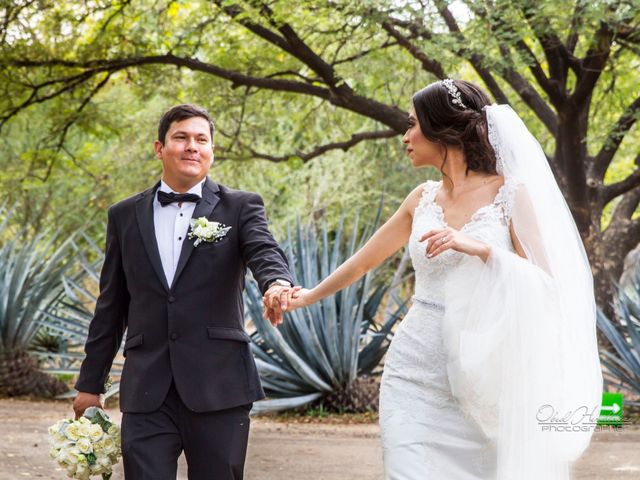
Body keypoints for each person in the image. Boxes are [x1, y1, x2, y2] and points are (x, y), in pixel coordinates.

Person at [272, 80, 602, 479]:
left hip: (483, 372)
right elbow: (362, 262)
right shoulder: (420, 199)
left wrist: (481, 249)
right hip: (412, 369)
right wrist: (307, 297)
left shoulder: (510, 194)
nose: (405, 137)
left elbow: (547, 285)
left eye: (412, 125)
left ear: (442, 128)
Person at [73, 104, 297, 480]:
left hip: (219, 385)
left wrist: (277, 282)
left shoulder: (240, 206)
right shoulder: (124, 215)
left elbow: (264, 250)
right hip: (147, 389)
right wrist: (90, 385)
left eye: (201, 139)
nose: (192, 146)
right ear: (159, 148)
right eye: (181, 138)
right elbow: (111, 305)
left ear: (211, 150)